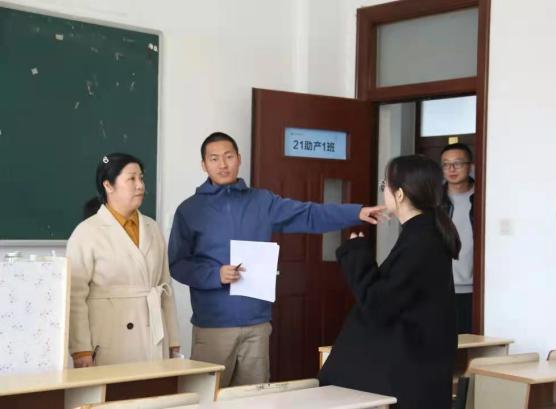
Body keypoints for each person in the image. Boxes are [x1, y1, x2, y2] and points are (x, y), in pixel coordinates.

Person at [168, 131, 385, 387]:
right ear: (204, 165)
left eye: (228, 156)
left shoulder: (262, 201)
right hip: (213, 326)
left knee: (256, 398)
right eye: (214, 159)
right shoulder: (190, 210)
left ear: (239, 159)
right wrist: (215, 275)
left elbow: (308, 214)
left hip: (257, 324)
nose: (222, 164)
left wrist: (356, 213)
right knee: (208, 397)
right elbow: (178, 264)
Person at [319, 155, 459, 409]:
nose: (383, 191)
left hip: (408, 367)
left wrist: (357, 256)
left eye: (385, 185)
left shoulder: (421, 241)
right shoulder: (425, 233)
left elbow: (378, 304)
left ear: (400, 194)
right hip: (418, 360)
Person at [67, 153, 180, 368]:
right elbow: (74, 296)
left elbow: (165, 287)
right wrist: (80, 349)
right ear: (108, 185)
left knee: (154, 387)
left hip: (154, 337)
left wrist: (173, 341)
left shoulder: (152, 228)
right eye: (131, 179)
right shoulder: (87, 232)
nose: (140, 185)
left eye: (141, 178)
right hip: (110, 338)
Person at [441, 143, 475, 334]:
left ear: (470, 166)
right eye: (446, 164)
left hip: (476, 289)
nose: (451, 169)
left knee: (472, 342)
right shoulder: (434, 201)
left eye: (458, 163)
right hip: (440, 287)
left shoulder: (483, 197)